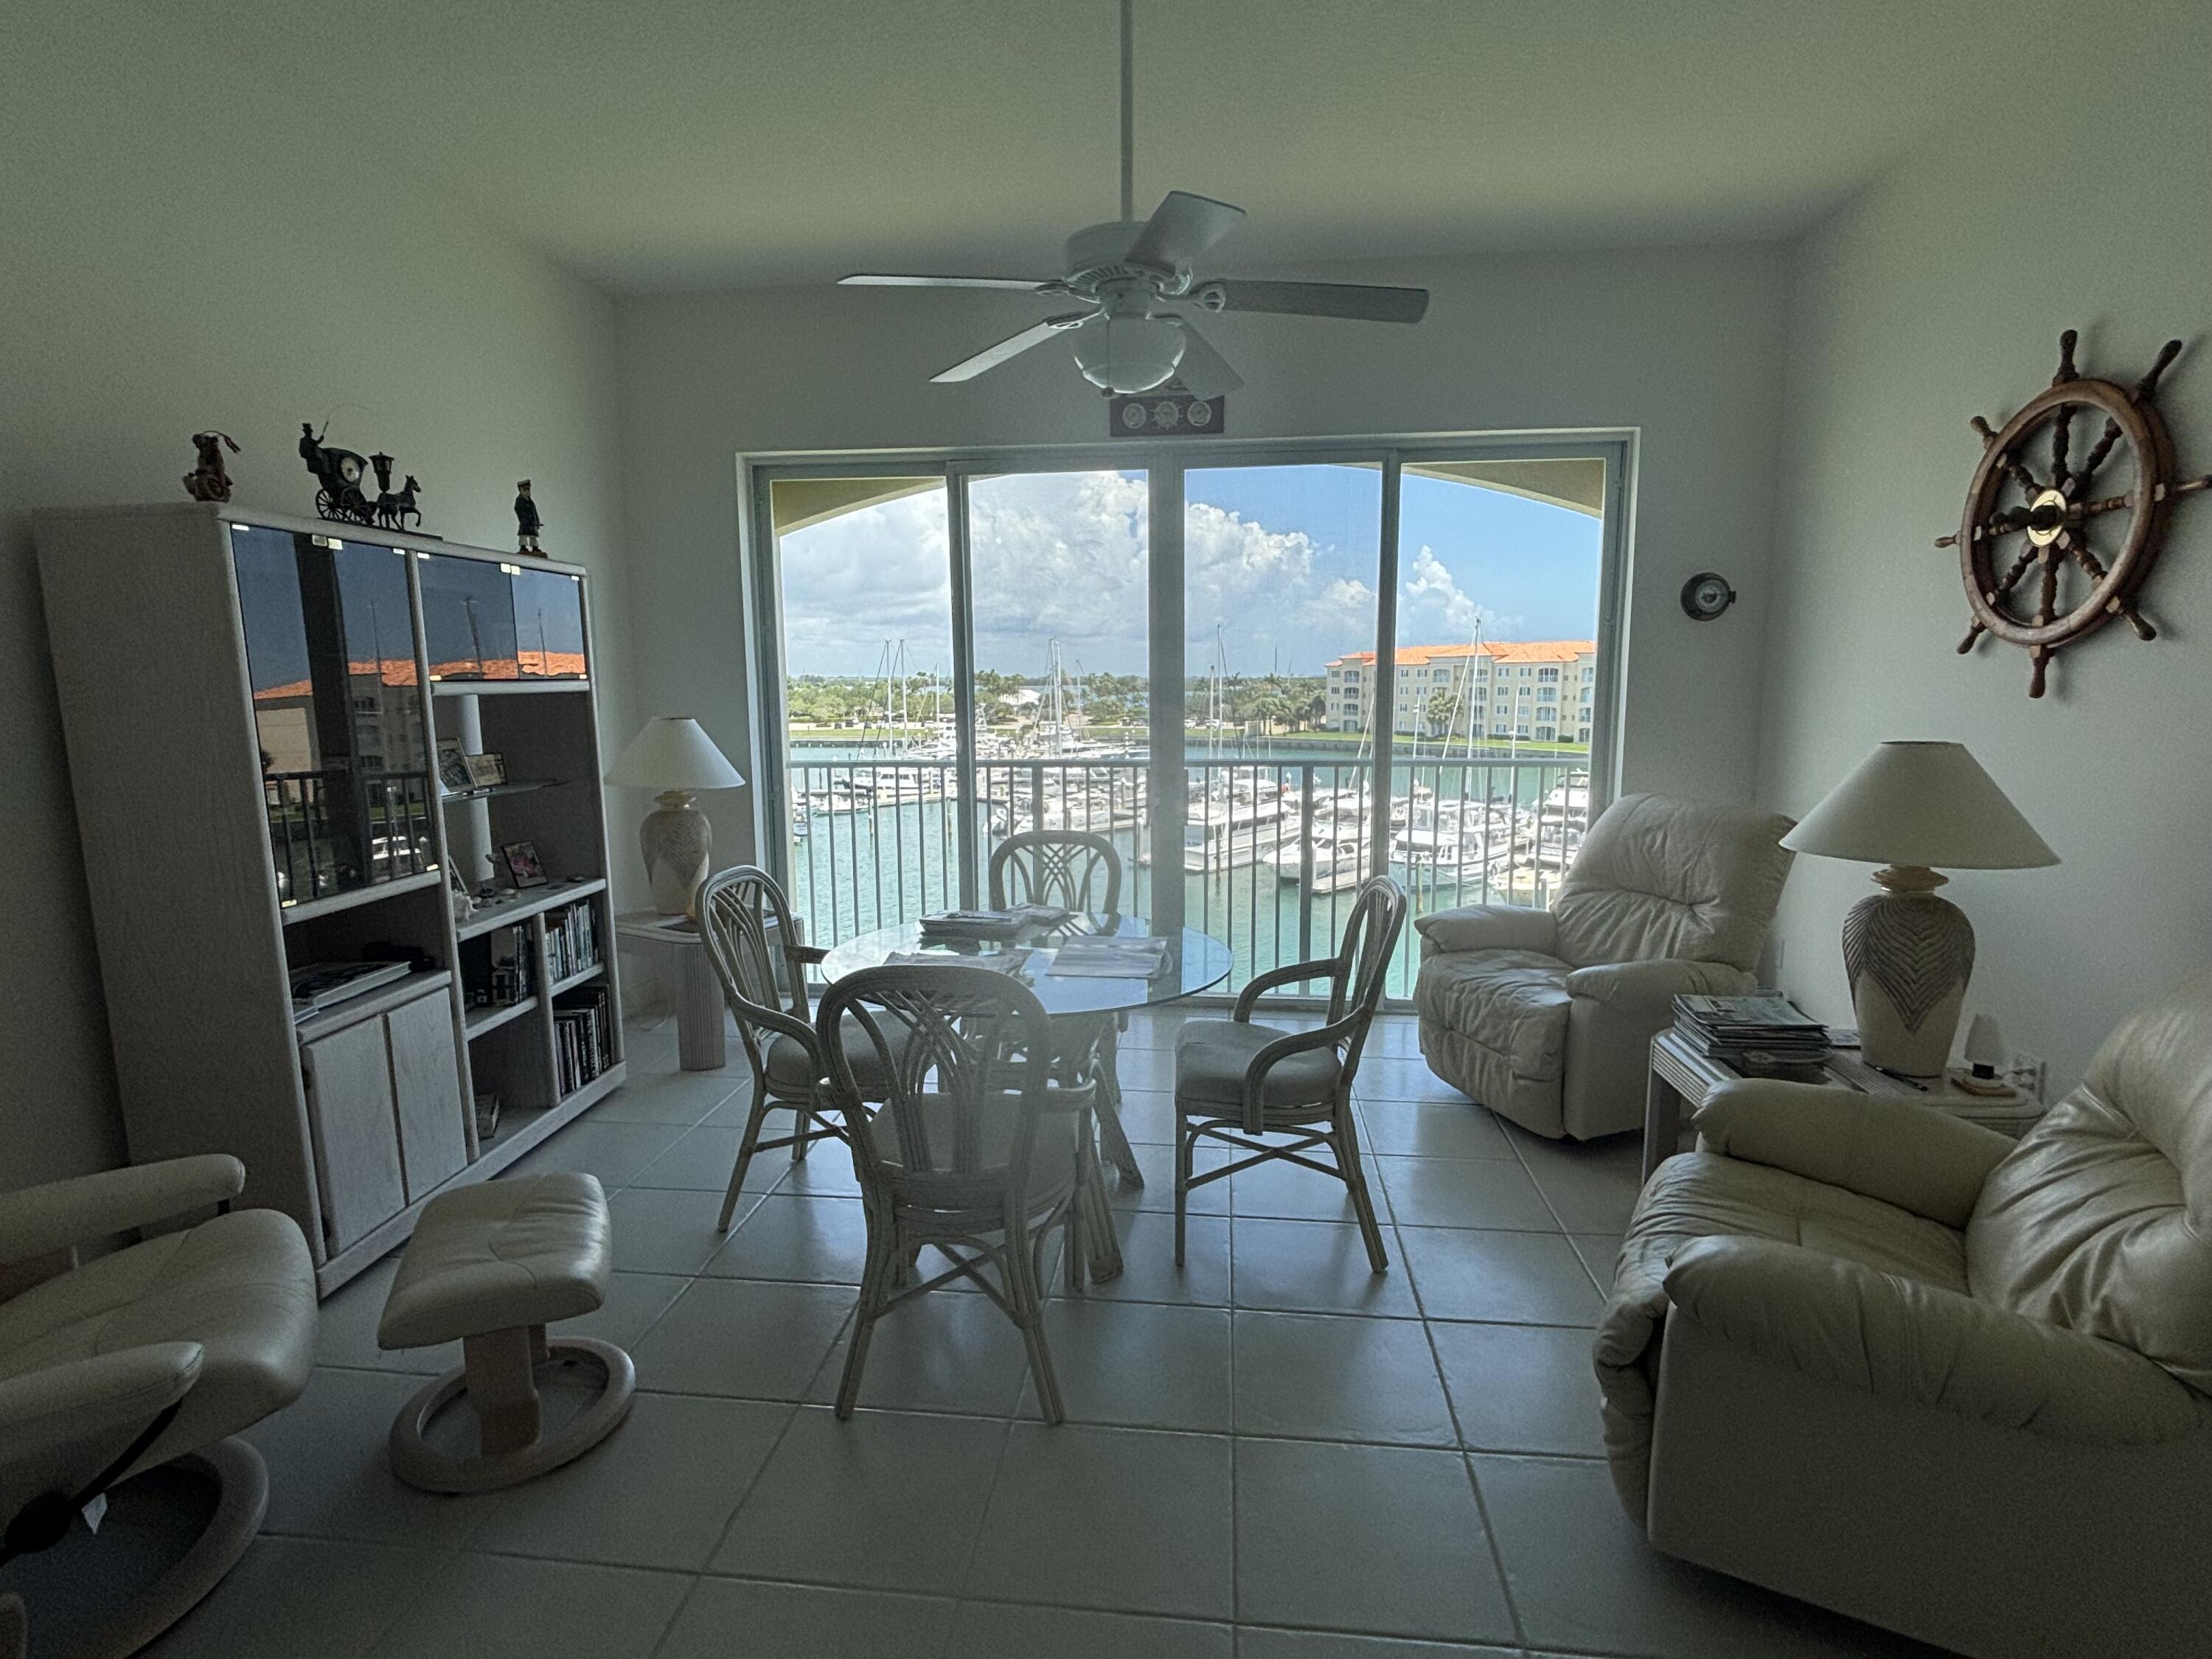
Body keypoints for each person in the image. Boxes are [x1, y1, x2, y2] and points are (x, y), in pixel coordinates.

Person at [514, 479, 544, 554]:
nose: (527, 491)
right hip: (525, 523)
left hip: (532, 523)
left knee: (533, 536)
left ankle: (535, 548)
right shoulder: (519, 500)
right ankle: (523, 547)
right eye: (525, 489)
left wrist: (537, 521)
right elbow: (517, 509)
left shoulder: (531, 502)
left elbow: (534, 512)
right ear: (521, 490)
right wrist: (523, 518)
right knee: (523, 536)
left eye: (528, 489)